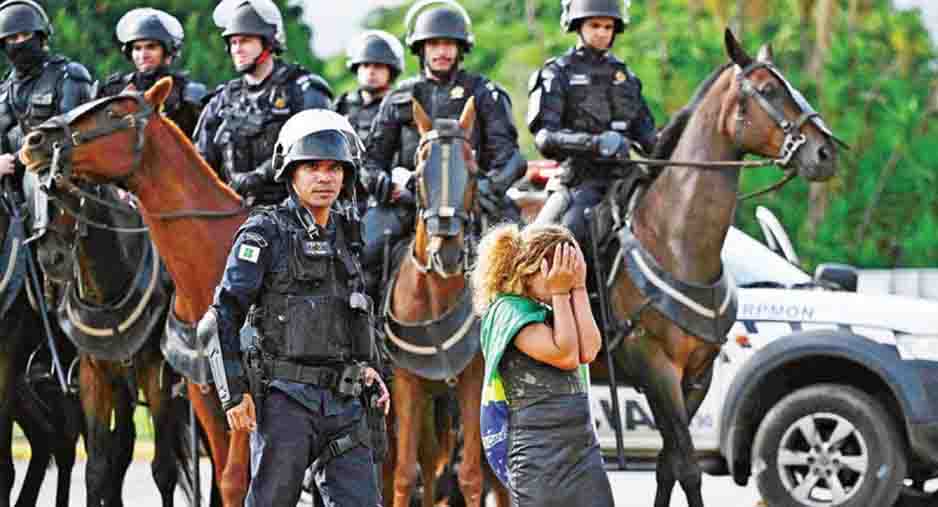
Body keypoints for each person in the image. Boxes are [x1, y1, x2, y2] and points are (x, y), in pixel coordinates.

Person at [204, 109, 389, 506]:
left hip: (345, 401)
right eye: (312, 167)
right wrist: (233, 392)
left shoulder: (348, 233)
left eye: (334, 168)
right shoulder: (263, 232)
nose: (325, 178)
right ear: (290, 173)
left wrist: (372, 365)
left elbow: (355, 308)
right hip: (285, 401)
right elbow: (222, 314)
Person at [361, 0, 526, 298]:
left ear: (460, 49)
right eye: (434, 44)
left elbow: (512, 157)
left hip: (473, 201)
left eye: (449, 44)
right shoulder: (399, 98)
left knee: (523, 255)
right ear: (421, 48)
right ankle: (364, 331)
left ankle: (523, 335)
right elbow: (370, 162)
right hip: (408, 203)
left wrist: (487, 188)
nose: (442, 51)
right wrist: (385, 186)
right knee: (365, 250)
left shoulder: (484, 93)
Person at [472, 223, 611, 507]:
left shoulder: (548, 307)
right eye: (558, 270)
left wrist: (579, 288)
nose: (565, 277)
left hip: (581, 449)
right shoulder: (506, 311)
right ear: (530, 269)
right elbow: (566, 354)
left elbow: (589, 349)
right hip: (538, 454)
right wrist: (561, 294)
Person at [527, 0, 656, 259]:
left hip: (626, 178)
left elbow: (647, 136)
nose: (602, 32)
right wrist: (595, 143)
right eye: (594, 25)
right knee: (547, 243)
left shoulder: (626, 77)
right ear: (578, 26)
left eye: (608, 26)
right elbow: (545, 138)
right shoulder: (556, 73)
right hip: (578, 181)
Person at [194, 0, 333, 207]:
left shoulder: (303, 90)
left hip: (293, 212)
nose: (237, 49)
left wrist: (261, 175)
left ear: (268, 43)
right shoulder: (222, 99)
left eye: (246, 41)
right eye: (233, 42)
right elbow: (200, 160)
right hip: (230, 212)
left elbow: (320, 153)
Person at [0, 0, 93, 181]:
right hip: (10, 190)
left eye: (26, 35)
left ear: (41, 37)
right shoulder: (2, 92)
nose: (20, 43)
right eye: (13, 38)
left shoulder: (69, 75)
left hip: (63, 182)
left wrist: (18, 160)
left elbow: (76, 135)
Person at [98, 8, 207, 137]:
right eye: (137, 48)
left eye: (151, 47)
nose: (143, 55)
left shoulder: (186, 93)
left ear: (166, 51)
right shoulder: (113, 90)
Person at [334, 30, 405, 145]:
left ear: (391, 71)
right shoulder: (342, 105)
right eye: (365, 65)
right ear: (357, 69)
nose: (371, 72)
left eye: (378, 66)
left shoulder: (400, 107)